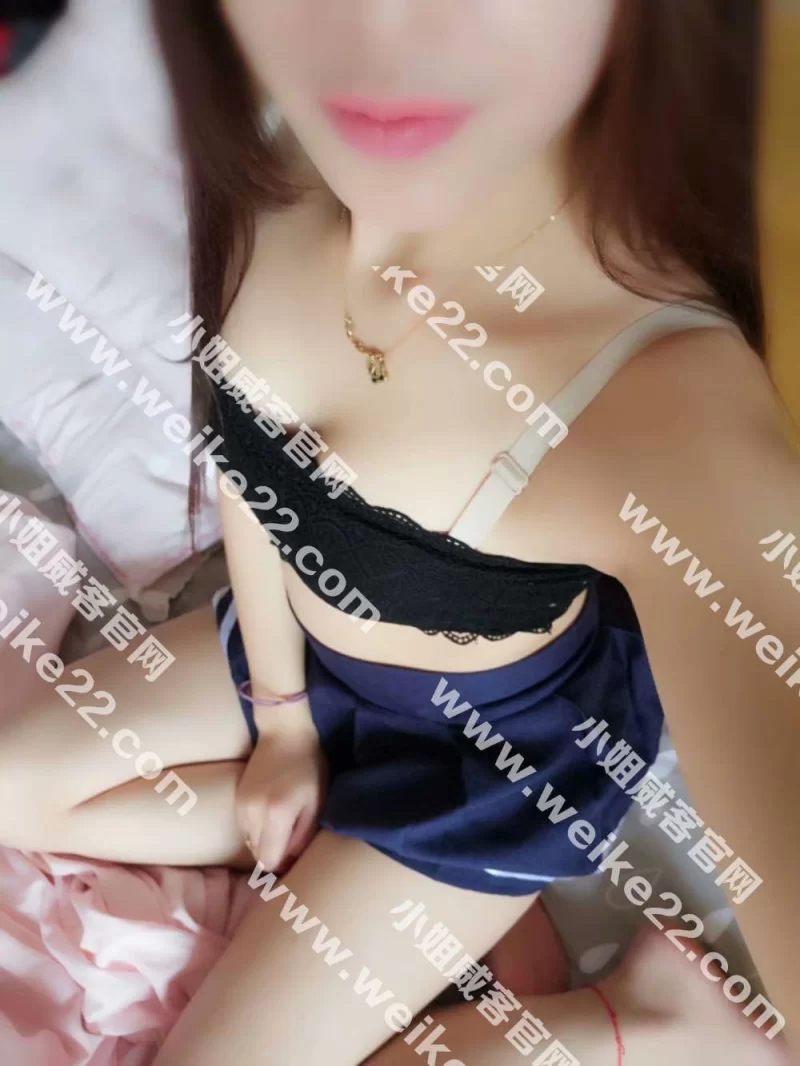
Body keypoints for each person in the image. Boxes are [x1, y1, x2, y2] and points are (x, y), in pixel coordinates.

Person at [0, 1, 797, 1063]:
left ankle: (644, 1021)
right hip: (304, 663)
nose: (381, 32)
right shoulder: (276, 165)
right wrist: (283, 723)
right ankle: (380, 876)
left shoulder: (665, 400)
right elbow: (251, 472)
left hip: (482, 774)